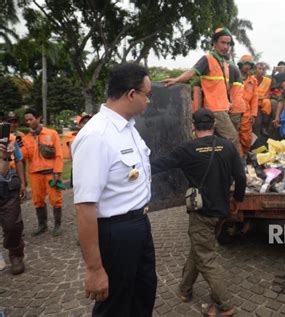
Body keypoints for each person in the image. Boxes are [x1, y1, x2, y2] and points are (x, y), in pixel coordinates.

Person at [72, 63, 157, 315]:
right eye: (147, 95)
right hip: (116, 233)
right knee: (116, 305)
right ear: (131, 94)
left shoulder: (129, 129)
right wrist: (94, 269)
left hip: (140, 224)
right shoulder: (96, 136)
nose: (148, 101)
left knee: (143, 292)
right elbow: (85, 206)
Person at [151, 108, 246, 316]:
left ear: (193, 126)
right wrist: (237, 200)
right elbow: (241, 177)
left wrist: (133, 166)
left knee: (206, 257)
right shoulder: (228, 146)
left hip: (202, 212)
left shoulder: (187, 149)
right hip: (221, 211)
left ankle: (225, 303)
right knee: (199, 249)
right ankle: (185, 290)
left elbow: (158, 165)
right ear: (214, 125)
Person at [162, 27, 241, 154]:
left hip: (223, 108)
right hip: (216, 110)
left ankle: (222, 167)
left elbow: (222, 88)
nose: (226, 46)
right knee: (232, 138)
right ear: (214, 43)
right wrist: (177, 80)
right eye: (223, 42)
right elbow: (192, 72)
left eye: (228, 44)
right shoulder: (207, 59)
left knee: (217, 142)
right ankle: (237, 169)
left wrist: (228, 102)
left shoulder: (223, 63)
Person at [20, 108, 64, 236]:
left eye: (31, 119)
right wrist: (17, 147)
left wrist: (57, 171)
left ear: (38, 118)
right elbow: (23, 157)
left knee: (56, 199)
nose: (28, 122)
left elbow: (59, 155)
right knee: (37, 200)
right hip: (35, 174)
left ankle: (57, 225)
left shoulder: (52, 133)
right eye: (26, 120)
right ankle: (42, 225)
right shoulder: (26, 138)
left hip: (51, 173)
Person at [0, 119, 26, 275]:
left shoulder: (10, 140)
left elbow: (18, 160)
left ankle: (16, 254)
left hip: (7, 187)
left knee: (12, 225)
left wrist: (23, 182)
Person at [237, 55, 258, 154]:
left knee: (246, 136)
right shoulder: (234, 76)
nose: (247, 67)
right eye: (246, 64)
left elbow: (254, 98)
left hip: (247, 111)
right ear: (241, 64)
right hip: (234, 109)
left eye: (249, 65)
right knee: (234, 134)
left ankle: (244, 156)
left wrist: (253, 114)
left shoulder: (253, 81)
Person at [253, 62, 273, 138]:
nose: (262, 71)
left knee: (267, 103)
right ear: (255, 69)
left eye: (264, 69)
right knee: (257, 122)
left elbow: (268, 94)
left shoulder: (268, 81)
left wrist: (263, 97)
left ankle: (264, 125)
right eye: (260, 69)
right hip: (253, 101)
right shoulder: (251, 79)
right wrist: (261, 97)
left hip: (263, 102)